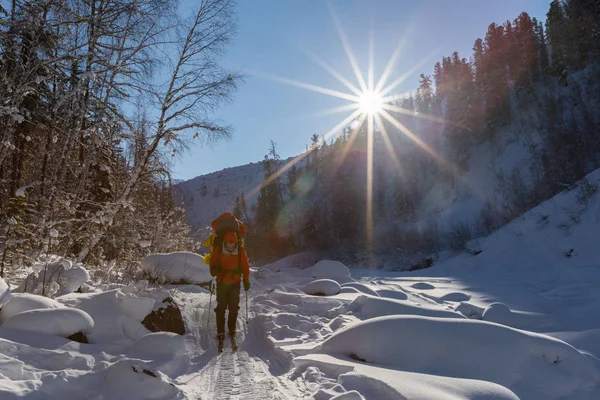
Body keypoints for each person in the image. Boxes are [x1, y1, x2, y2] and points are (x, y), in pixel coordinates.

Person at [209, 213, 250, 352]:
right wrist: (213, 270)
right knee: (221, 307)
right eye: (229, 243)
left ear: (236, 242)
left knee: (233, 307)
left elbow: (245, 265)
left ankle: (231, 329)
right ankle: (221, 330)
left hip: (234, 283)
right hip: (222, 281)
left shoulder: (240, 250)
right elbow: (213, 260)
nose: (231, 245)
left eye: (233, 243)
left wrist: (246, 279)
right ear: (225, 242)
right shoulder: (219, 248)